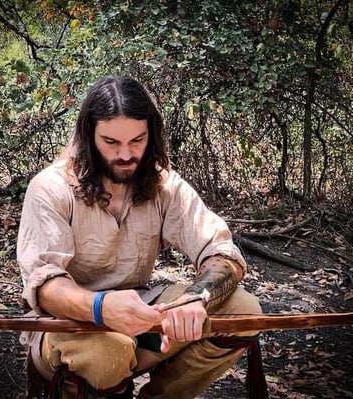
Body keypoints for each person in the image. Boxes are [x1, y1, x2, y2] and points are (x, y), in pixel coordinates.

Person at [17, 76, 264, 399]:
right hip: (66, 325)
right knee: (110, 353)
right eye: (111, 142)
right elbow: (45, 286)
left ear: (151, 135)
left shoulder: (162, 184)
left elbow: (222, 252)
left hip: (142, 313)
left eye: (137, 141)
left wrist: (197, 297)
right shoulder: (51, 188)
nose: (125, 154)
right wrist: (100, 306)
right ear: (88, 136)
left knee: (244, 311)